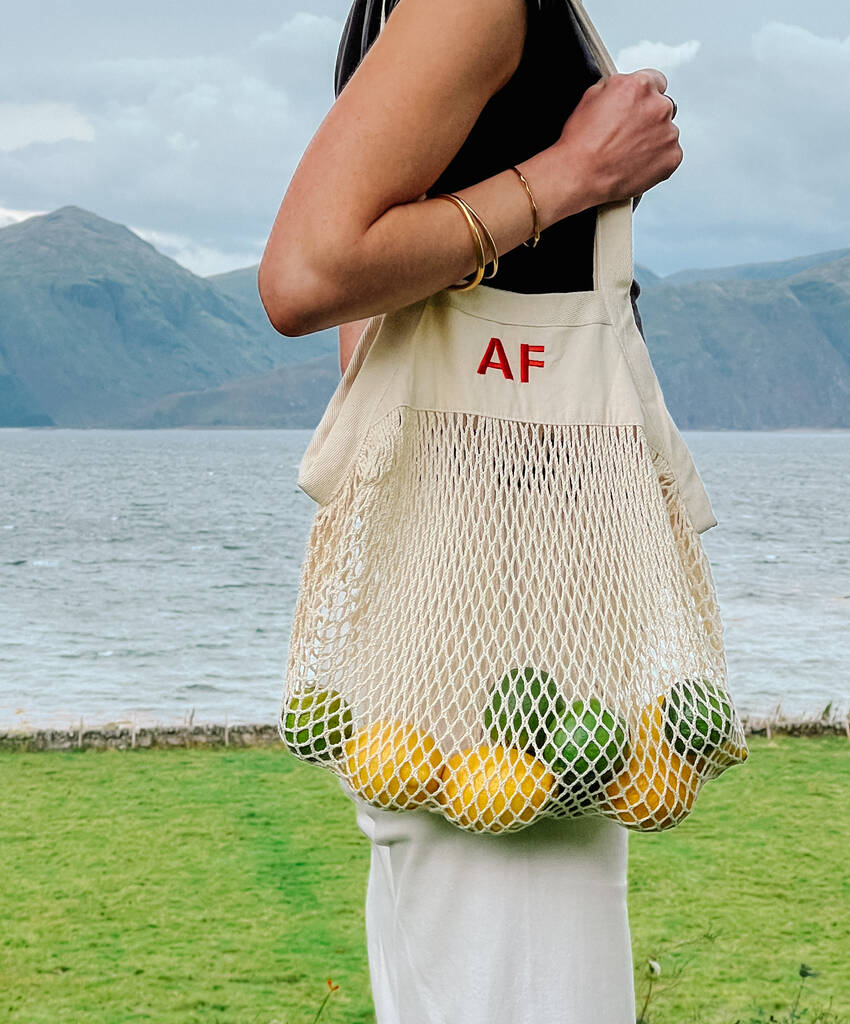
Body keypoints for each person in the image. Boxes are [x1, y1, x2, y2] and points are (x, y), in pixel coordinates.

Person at [259, 1, 683, 1020]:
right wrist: (575, 177)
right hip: (506, 571)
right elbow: (309, 272)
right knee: (522, 962)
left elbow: (370, 319)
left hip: (463, 558)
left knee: (467, 959)